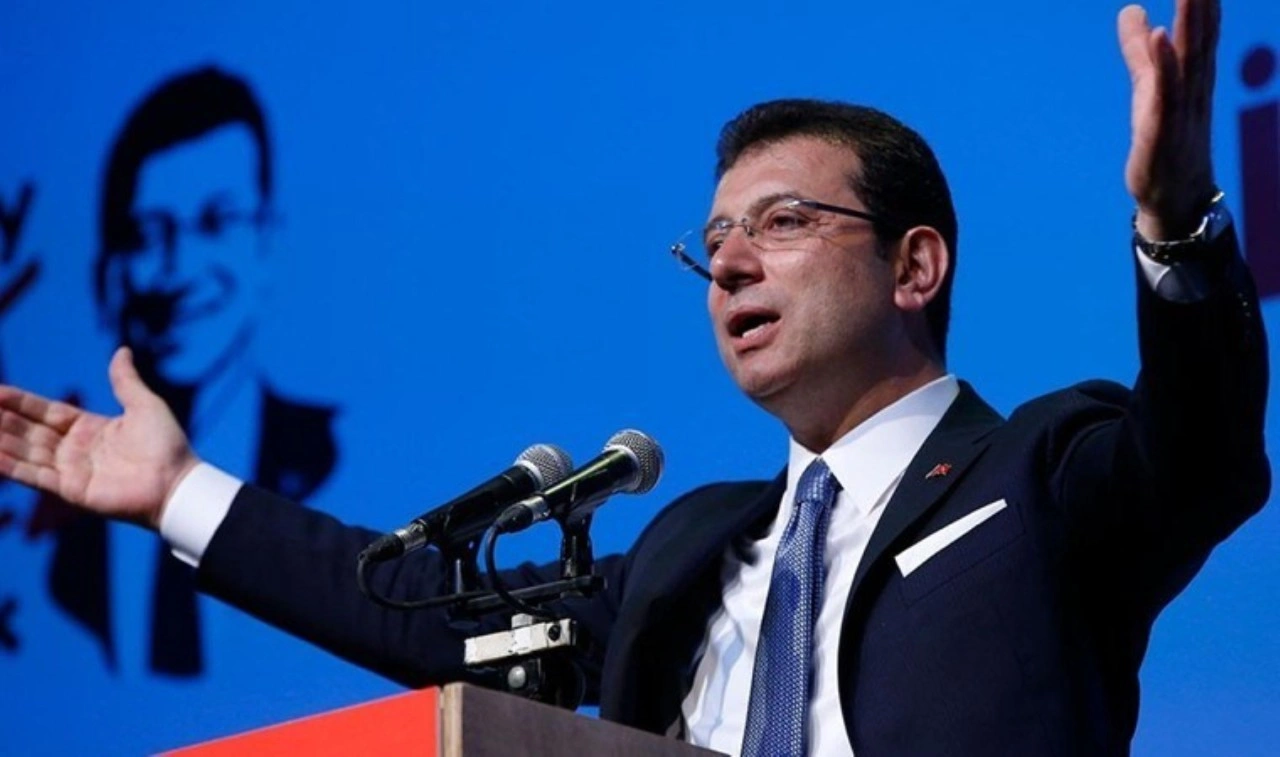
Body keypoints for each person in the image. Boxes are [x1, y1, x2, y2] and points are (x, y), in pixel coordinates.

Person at [0, 1, 1267, 754]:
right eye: (712, 241)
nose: (730, 265)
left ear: (913, 265)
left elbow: (1203, 450)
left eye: (780, 223)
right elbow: (420, 611)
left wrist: (1175, 224)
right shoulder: (688, 549)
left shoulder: (1041, 476)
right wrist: (177, 490)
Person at [30, 66, 339, 676]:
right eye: (149, 234)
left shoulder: (332, 459)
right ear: (110, 271)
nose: (178, 269)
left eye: (216, 222)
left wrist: (178, 488)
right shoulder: (66, 562)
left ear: (268, 241)